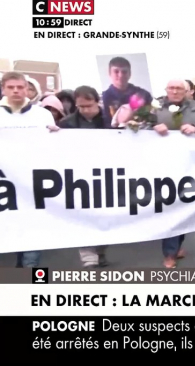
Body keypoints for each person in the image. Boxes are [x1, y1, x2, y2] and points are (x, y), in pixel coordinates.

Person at [0, 72, 58, 268]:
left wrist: (57, 136)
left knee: (32, 239)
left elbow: (52, 149)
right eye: (11, 87)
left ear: (26, 88)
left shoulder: (43, 115)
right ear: (3, 89)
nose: (16, 90)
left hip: (32, 186)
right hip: (4, 187)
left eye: (20, 87)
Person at [152, 79, 195, 268]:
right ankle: (169, 253)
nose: (175, 91)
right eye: (171, 88)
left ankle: (176, 246)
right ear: (166, 90)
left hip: (189, 168)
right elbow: (138, 127)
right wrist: (152, 128)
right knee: (170, 209)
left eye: (179, 88)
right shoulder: (155, 108)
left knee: (184, 208)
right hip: (164, 168)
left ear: (187, 91)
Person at [58, 86, 110, 266]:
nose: (85, 110)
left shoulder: (110, 120)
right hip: (80, 177)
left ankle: (100, 250)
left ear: (97, 102)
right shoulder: (66, 123)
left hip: (107, 175)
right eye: (81, 107)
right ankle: (89, 258)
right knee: (84, 216)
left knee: (105, 217)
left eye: (89, 106)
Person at [101, 56, 153, 128]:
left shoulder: (144, 95)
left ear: (130, 73)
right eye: (116, 71)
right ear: (109, 73)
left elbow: (151, 121)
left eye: (124, 72)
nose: (120, 75)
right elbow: (103, 124)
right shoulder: (103, 98)